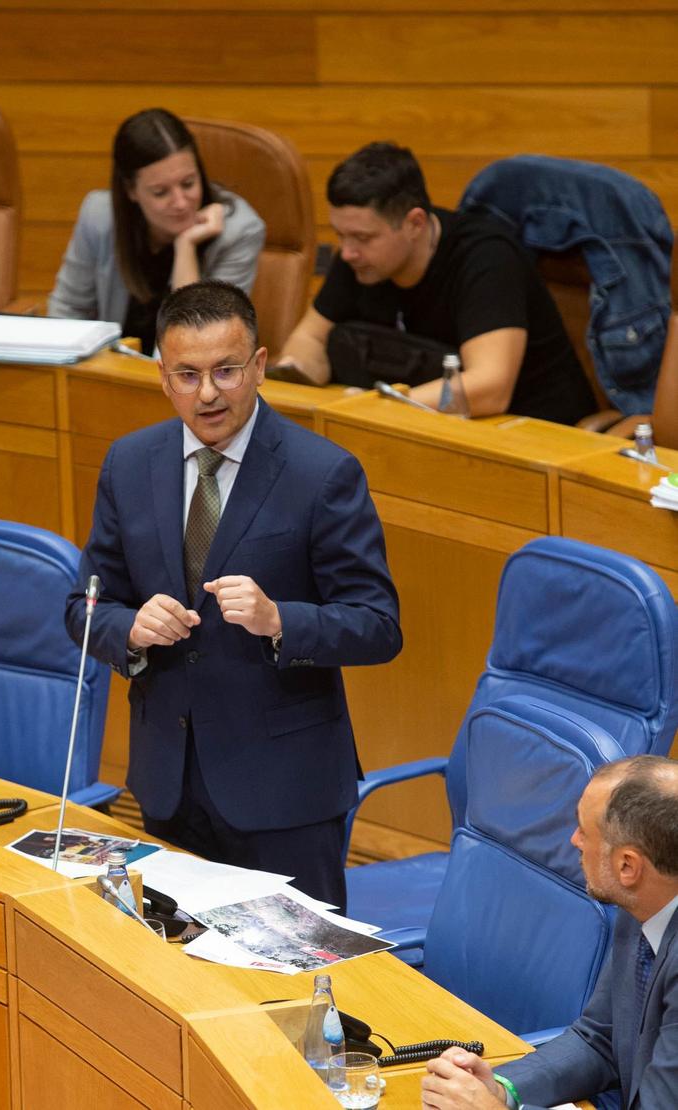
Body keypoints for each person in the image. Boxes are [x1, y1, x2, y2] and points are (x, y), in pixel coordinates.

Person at [65, 280, 402, 912]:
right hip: (168, 782)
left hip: (285, 794)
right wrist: (131, 629)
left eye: (226, 370)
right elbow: (84, 607)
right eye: (188, 375)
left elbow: (378, 624)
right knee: (175, 979)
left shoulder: (322, 473)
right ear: (162, 377)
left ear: (260, 366)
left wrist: (281, 620)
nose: (209, 392)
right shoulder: (129, 464)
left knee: (293, 994)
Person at [421, 755, 678, 1110]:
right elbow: (599, 1040)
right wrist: (503, 1089)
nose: (574, 841)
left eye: (585, 832)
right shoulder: (647, 899)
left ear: (627, 866)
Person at [276, 142, 596, 425]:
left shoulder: (487, 257)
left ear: (415, 223)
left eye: (362, 237)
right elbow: (309, 339)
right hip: (425, 423)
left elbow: (490, 387)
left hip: (533, 430)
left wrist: (369, 410)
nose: (347, 251)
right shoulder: (359, 258)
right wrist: (298, 371)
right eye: (341, 234)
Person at [48, 108, 265, 355]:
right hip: (108, 375)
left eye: (188, 183)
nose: (181, 202)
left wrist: (186, 247)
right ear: (131, 191)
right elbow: (68, 310)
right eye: (161, 192)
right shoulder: (99, 217)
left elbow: (199, 347)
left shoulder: (239, 231)